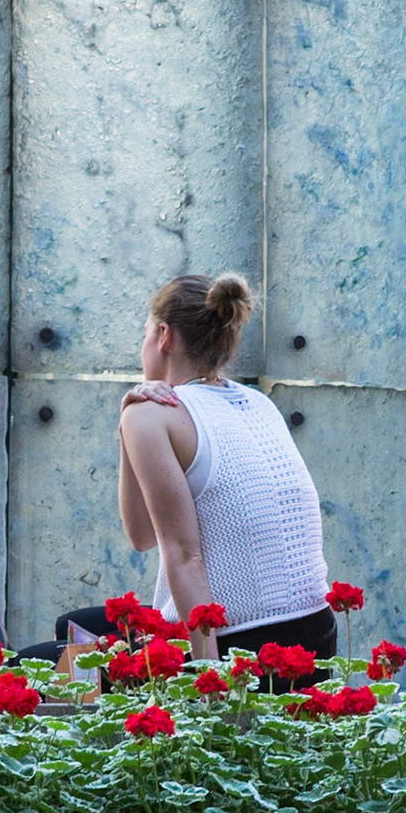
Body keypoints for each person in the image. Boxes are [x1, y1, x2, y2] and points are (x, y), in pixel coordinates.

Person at [101, 273, 334, 666]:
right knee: (83, 627)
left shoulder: (153, 414)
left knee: (47, 657)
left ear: (164, 336)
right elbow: (142, 536)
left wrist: (210, 686)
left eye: (144, 334)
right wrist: (128, 427)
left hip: (240, 650)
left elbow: (183, 556)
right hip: (318, 637)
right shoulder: (259, 403)